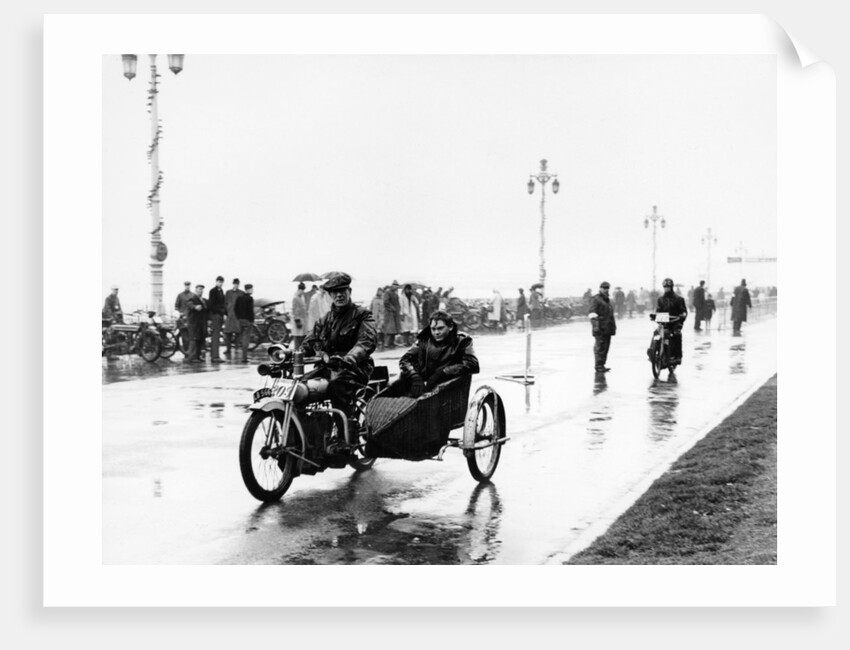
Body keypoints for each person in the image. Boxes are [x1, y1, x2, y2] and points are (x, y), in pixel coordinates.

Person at [300, 273, 378, 419]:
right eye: (335, 292)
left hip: (355, 369)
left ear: (350, 292)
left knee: (337, 387)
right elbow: (308, 343)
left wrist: (350, 357)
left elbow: (367, 341)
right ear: (330, 295)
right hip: (328, 368)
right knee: (298, 387)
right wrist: (290, 356)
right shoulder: (325, 320)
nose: (339, 295)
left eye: (342, 291)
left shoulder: (362, 315)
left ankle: (345, 436)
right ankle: (305, 433)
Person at [396, 310, 480, 397]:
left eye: (440, 328)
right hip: (424, 386)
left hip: (449, 387)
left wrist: (442, 373)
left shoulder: (462, 340)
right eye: (433, 329)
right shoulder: (424, 339)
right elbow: (405, 359)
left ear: (450, 327)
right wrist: (414, 376)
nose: (436, 333)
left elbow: (472, 363)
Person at [652, 277, 688, 367]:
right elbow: (658, 310)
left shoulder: (679, 299)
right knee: (656, 334)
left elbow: (683, 311)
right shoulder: (660, 299)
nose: (666, 289)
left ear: (671, 287)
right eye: (665, 287)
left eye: (668, 287)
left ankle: (677, 356)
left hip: (675, 323)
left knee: (676, 334)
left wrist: (681, 317)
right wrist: (655, 316)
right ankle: (652, 351)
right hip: (663, 323)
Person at [588, 281, 617, 373]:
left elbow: (610, 315)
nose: (605, 290)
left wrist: (613, 327)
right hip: (600, 328)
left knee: (605, 347)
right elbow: (592, 313)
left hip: (607, 328)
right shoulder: (596, 299)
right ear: (600, 288)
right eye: (604, 288)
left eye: (607, 288)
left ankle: (602, 365)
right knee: (599, 347)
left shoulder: (607, 300)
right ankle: (598, 365)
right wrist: (596, 326)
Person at [185, 284, 208, 363]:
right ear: (196, 290)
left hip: (200, 323)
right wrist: (195, 307)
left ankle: (197, 356)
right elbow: (189, 304)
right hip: (194, 323)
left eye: (202, 289)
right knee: (194, 339)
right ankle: (192, 357)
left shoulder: (203, 300)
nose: (200, 291)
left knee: (199, 339)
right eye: (199, 289)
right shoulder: (192, 298)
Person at [207, 276, 227, 362]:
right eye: (219, 281)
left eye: (221, 282)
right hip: (215, 315)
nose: (220, 283)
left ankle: (214, 355)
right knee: (215, 336)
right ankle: (215, 356)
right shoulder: (213, 291)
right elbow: (211, 305)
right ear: (216, 282)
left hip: (220, 315)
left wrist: (225, 313)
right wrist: (221, 311)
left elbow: (223, 304)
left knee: (217, 335)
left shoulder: (221, 291)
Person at [234, 283, 255, 362]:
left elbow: (235, 308)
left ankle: (243, 356)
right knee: (246, 339)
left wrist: (238, 317)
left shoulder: (239, 298)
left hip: (240, 320)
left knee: (242, 338)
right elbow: (250, 311)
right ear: (248, 289)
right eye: (252, 289)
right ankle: (244, 357)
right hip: (247, 320)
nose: (252, 290)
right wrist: (251, 320)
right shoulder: (250, 298)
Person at [224, 278, 244, 357]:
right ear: (233, 284)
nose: (236, 285)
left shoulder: (241, 293)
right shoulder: (228, 292)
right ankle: (228, 349)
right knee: (227, 333)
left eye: (237, 284)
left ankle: (236, 348)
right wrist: (226, 313)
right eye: (235, 283)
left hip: (237, 316)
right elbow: (225, 303)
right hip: (229, 315)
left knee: (238, 333)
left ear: (239, 284)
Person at [382, 280, 401, 348]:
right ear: (392, 285)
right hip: (389, 313)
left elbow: (397, 303)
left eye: (397, 286)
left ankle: (392, 343)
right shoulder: (387, 292)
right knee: (389, 329)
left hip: (395, 313)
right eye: (395, 285)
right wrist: (392, 308)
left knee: (394, 329)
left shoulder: (395, 294)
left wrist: (398, 310)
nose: (396, 287)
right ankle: (386, 343)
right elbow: (386, 302)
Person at [291, 282, 309, 350]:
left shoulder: (301, 297)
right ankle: (297, 351)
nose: (303, 292)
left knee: (302, 337)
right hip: (298, 320)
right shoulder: (295, 298)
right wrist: (297, 322)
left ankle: (301, 351)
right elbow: (294, 311)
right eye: (302, 291)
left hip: (302, 319)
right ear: (299, 290)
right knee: (297, 337)